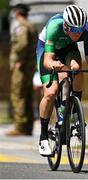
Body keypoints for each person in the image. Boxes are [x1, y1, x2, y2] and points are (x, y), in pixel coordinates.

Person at [36, 4, 88, 155]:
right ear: (66, 26)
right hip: (46, 49)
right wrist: (53, 64)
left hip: (68, 48)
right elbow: (47, 60)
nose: (77, 34)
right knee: (51, 93)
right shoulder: (54, 26)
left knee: (76, 69)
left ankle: (75, 114)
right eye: (74, 29)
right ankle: (43, 136)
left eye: (80, 30)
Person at [6, 3, 37, 136]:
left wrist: (20, 59)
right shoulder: (31, 26)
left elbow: (23, 44)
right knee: (28, 95)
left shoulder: (22, 27)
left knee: (18, 95)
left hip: (22, 66)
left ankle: (19, 127)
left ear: (18, 13)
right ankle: (28, 126)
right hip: (29, 67)